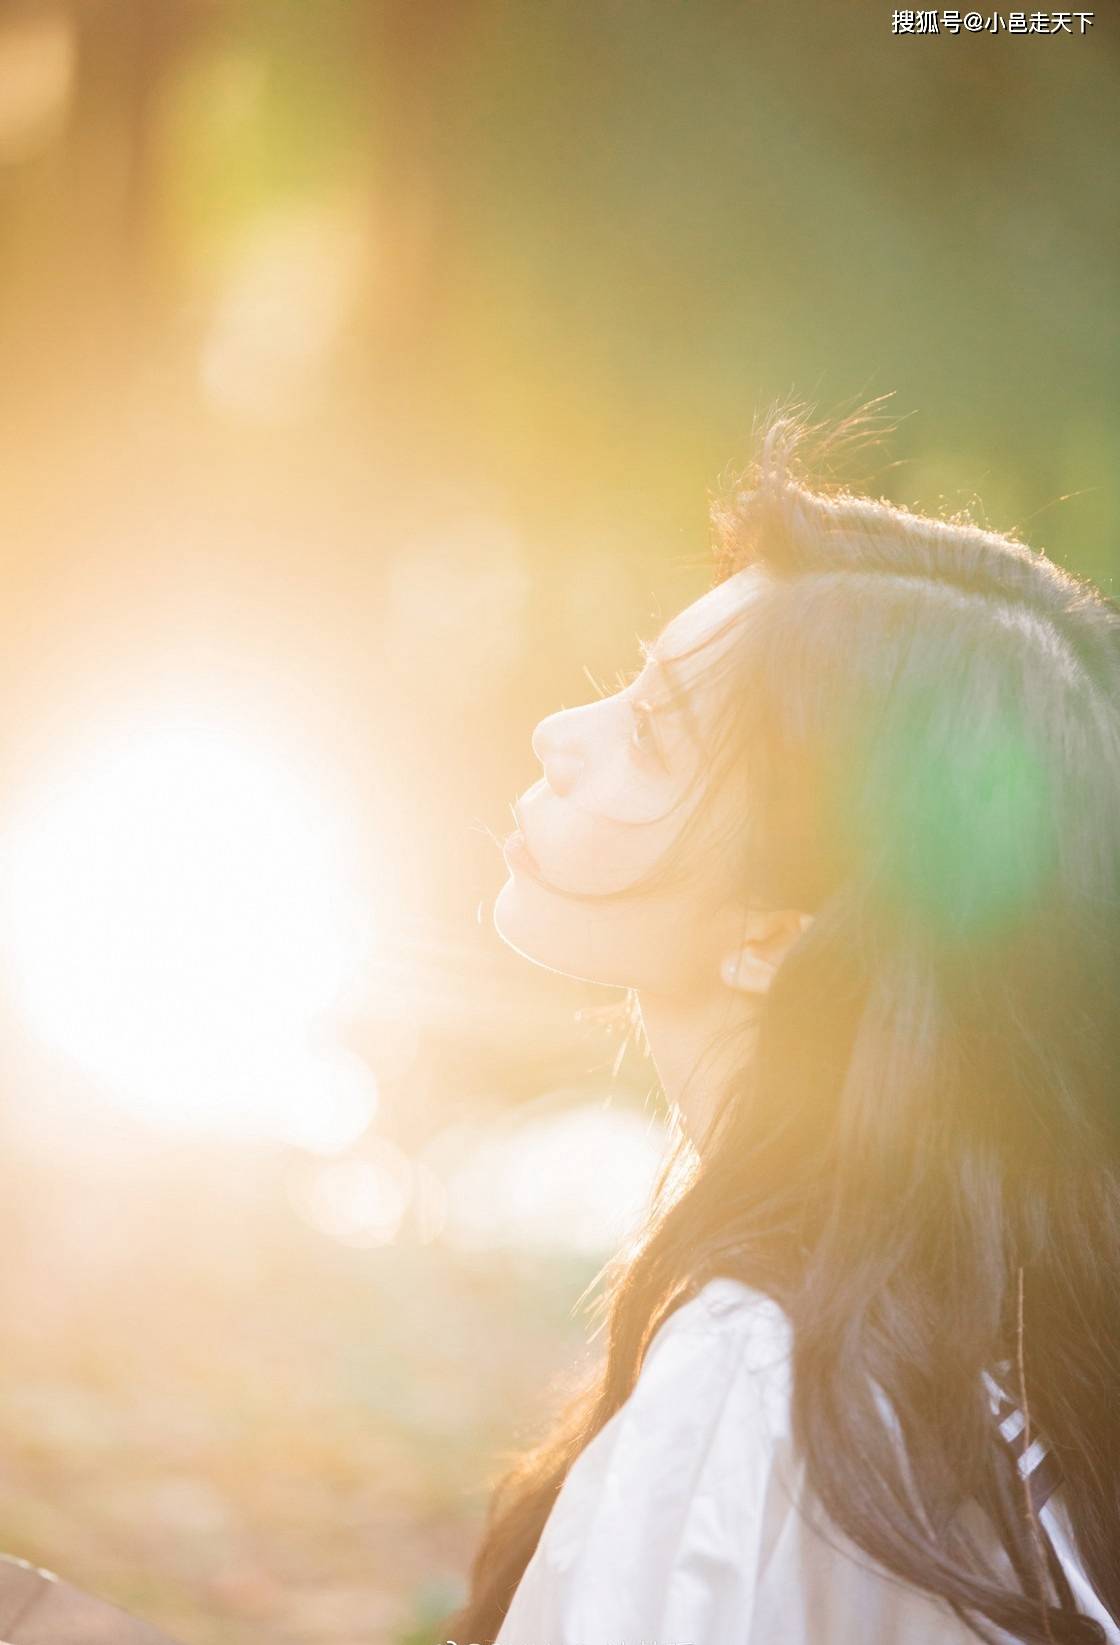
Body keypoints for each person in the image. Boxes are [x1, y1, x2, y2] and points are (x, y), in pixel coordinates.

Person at [443, 401, 1120, 1645]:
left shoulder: (765, 1382)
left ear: (776, 934)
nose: (561, 736)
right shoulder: (950, 1343)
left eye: (650, 733)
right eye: (625, 688)